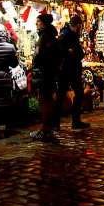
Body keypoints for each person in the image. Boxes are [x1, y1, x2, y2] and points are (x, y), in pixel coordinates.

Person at [30, 13, 62, 141]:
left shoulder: (46, 36)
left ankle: (46, 130)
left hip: (45, 74)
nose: (36, 23)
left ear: (44, 23)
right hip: (46, 73)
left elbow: (52, 52)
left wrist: (39, 52)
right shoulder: (47, 35)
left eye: (38, 21)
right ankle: (46, 129)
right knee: (45, 101)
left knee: (45, 101)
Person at [56, 15, 90, 129]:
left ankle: (74, 121)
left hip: (72, 70)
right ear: (79, 25)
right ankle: (57, 123)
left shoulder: (72, 35)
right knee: (63, 95)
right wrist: (68, 52)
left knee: (75, 94)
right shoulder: (66, 35)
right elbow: (59, 47)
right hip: (68, 70)